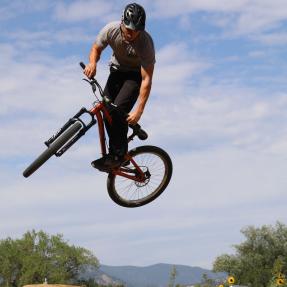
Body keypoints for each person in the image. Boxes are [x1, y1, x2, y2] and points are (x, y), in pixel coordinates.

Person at [84, 3, 155, 170]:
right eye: (129, 30)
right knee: (106, 109)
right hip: (116, 72)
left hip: (135, 76)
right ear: (122, 22)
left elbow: (146, 80)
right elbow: (96, 48)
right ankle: (116, 150)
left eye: (136, 31)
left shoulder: (146, 43)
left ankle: (119, 155)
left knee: (117, 110)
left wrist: (138, 111)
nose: (132, 34)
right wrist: (92, 63)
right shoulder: (111, 29)